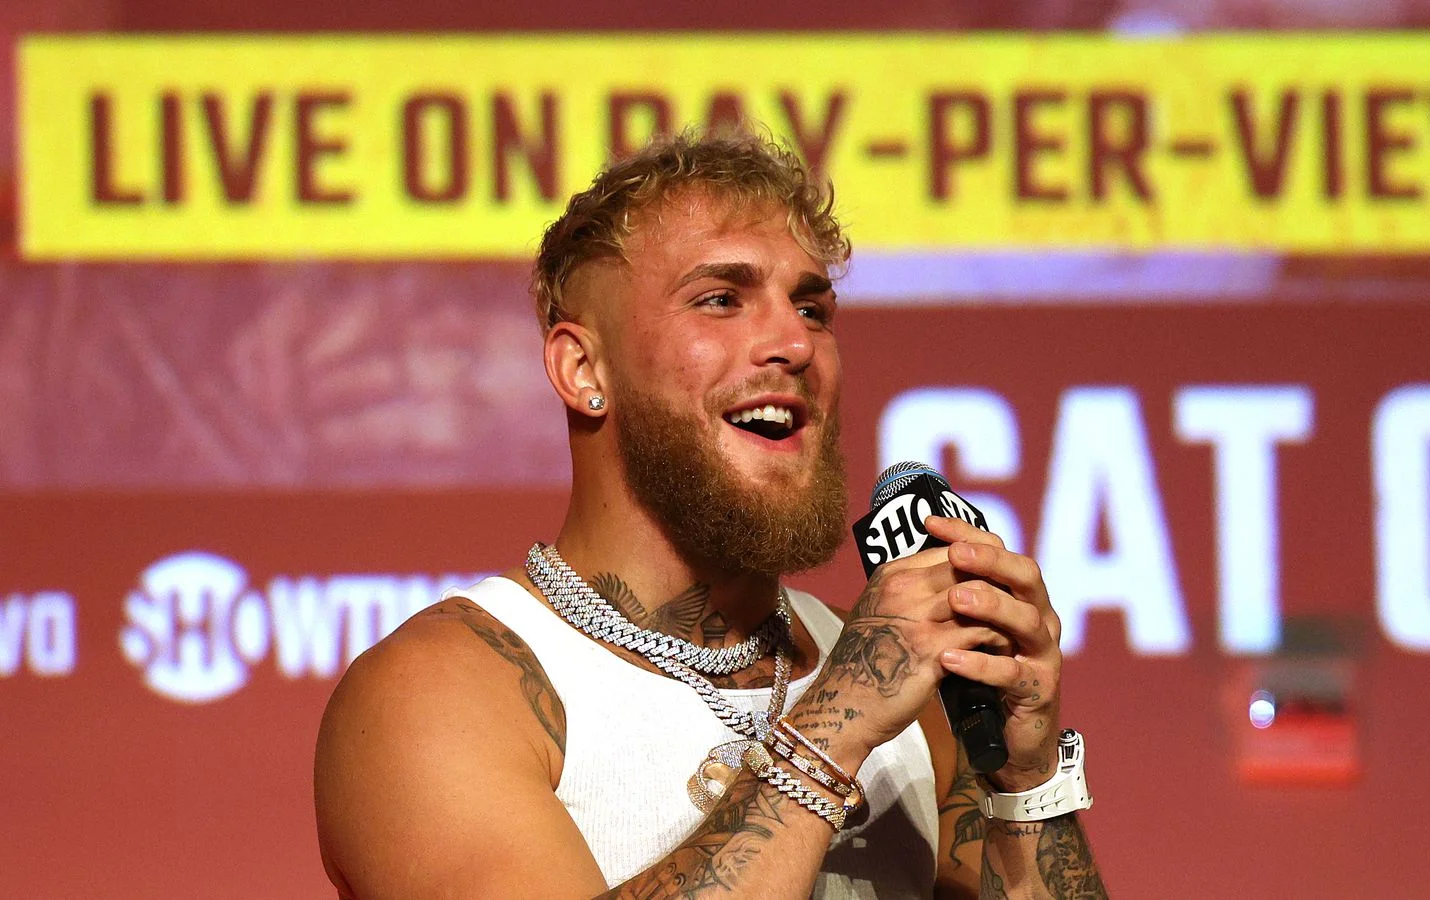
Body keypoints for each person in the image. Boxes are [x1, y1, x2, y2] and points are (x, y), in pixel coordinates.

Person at [313, 130, 1106, 899]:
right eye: (721, 299)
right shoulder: (440, 694)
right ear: (583, 367)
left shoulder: (914, 695)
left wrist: (1026, 780)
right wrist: (833, 726)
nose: (793, 343)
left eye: (813, 309)